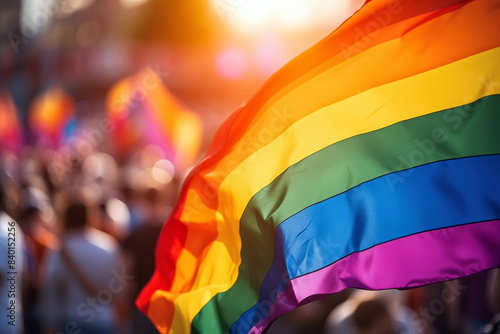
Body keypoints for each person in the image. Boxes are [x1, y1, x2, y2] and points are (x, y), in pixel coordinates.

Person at [38, 200, 125, 334]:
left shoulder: (60, 247)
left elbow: (52, 286)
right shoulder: (108, 245)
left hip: (71, 320)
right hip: (104, 321)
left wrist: (49, 321)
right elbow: (119, 286)